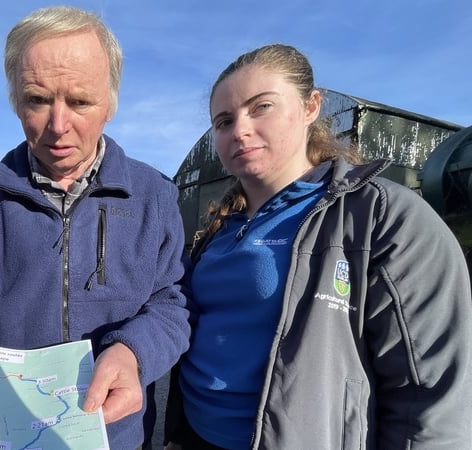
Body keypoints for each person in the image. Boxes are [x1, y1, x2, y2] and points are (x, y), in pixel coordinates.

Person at [164, 43, 472, 449]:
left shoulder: (380, 216)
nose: (239, 130)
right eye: (224, 121)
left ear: (311, 107)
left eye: (262, 107)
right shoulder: (220, 228)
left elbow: (430, 392)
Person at [0, 6, 191, 450]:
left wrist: (132, 352)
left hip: (115, 435)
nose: (58, 125)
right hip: (2, 429)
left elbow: (172, 303)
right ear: (15, 101)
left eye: (80, 101)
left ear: (111, 103)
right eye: (37, 100)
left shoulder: (154, 198)